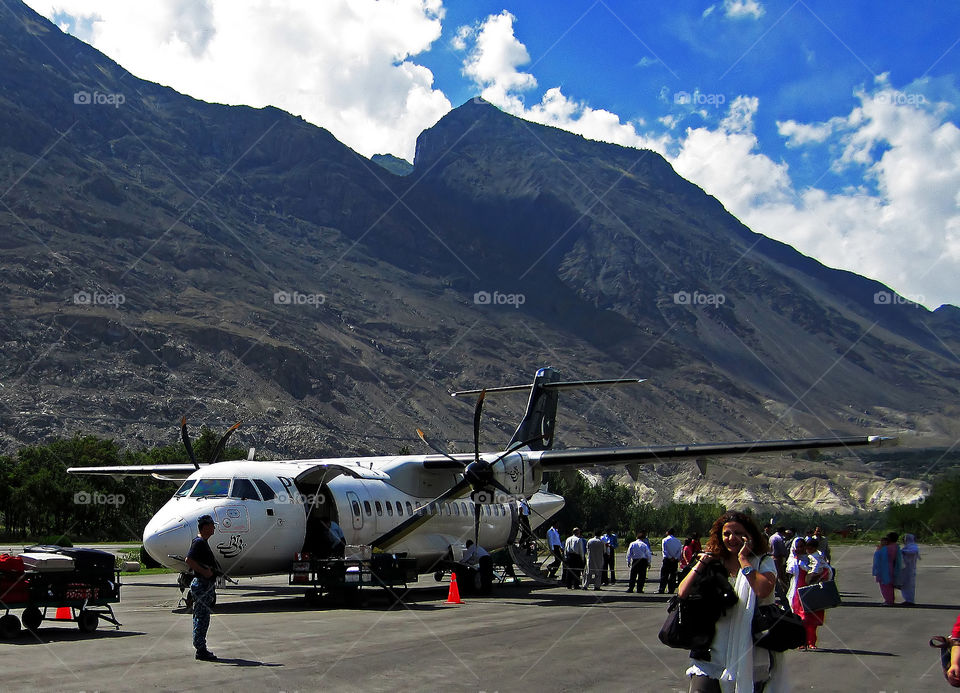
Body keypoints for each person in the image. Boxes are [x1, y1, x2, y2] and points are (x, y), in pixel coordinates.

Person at [679, 510, 784, 692]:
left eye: (738, 533)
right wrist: (702, 562)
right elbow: (682, 592)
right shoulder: (714, 562)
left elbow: (762, 589)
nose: (732, 538)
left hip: (750, 652)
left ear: (750, 536)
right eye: (726, 533)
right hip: (710, 652)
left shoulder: (762, 562)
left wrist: (744, 559)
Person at [184, 514, 220, 661]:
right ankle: (200, 649)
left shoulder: (203, 542)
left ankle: (201, 647)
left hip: (206, 585)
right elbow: (189, 560)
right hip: (202, 585)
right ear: (205, 527)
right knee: (201, 617)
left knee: (203, 617)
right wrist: (205, 571)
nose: (214, 527)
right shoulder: (199, 542)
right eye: (212, 525)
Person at [795, 537, 833, 650]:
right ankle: (803, 642)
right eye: (799, 546)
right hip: (800, 592)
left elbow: (824, 571)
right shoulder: (796, 560)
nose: (802, 549)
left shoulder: (815, 558)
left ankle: (811, 642)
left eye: (803, 546)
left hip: (813, 592)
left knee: (812, 619)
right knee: (802, 619)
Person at [872, 533, 903, 605]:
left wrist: (879, 548)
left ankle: (888, 600)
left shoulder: (886, 548)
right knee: (889, 585)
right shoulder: (896, 546)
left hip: (885, 568)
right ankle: (890, 599)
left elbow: (879, 556)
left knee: (885, 585)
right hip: (891, 567)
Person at [659, 528, 683, 594]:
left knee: (664, 575)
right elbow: (679, 551)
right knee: (673, 575)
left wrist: (669, 557)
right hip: (675, 560)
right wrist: (675, 557)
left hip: (667, 559)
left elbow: (664, 550)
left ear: (667, 532)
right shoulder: (678, 541)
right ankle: (671, 590)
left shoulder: (665, 540)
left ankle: (662, 589)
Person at [901, 533, 920, 605]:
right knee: (905, 584)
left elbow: (913, 551)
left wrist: (903, 552)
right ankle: (907, 599)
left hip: (910, 568)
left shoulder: (913, 546)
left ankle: (910, 600)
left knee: (909, 584)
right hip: (906, 568)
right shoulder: (908, 546)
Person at [768, 527, 788, 591]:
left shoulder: (771, 537)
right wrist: (785, 554)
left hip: (771, 557)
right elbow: (782, 550)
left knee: (774, 573)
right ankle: (783, 589)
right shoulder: (779, 538)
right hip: (778, 557)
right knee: (780, 575)